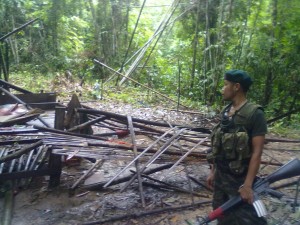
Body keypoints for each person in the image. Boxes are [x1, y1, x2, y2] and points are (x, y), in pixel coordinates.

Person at [206, 69, 268, 225]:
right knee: (223, 217)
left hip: (239, 181)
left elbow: (257, 152)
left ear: (236, 87)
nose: (222, 89)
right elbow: (218, 146)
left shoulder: (255, 114)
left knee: (250, 219)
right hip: (221, 180)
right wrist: (213, 171)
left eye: (225, 84)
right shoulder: (226, 112)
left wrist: (247, 185)